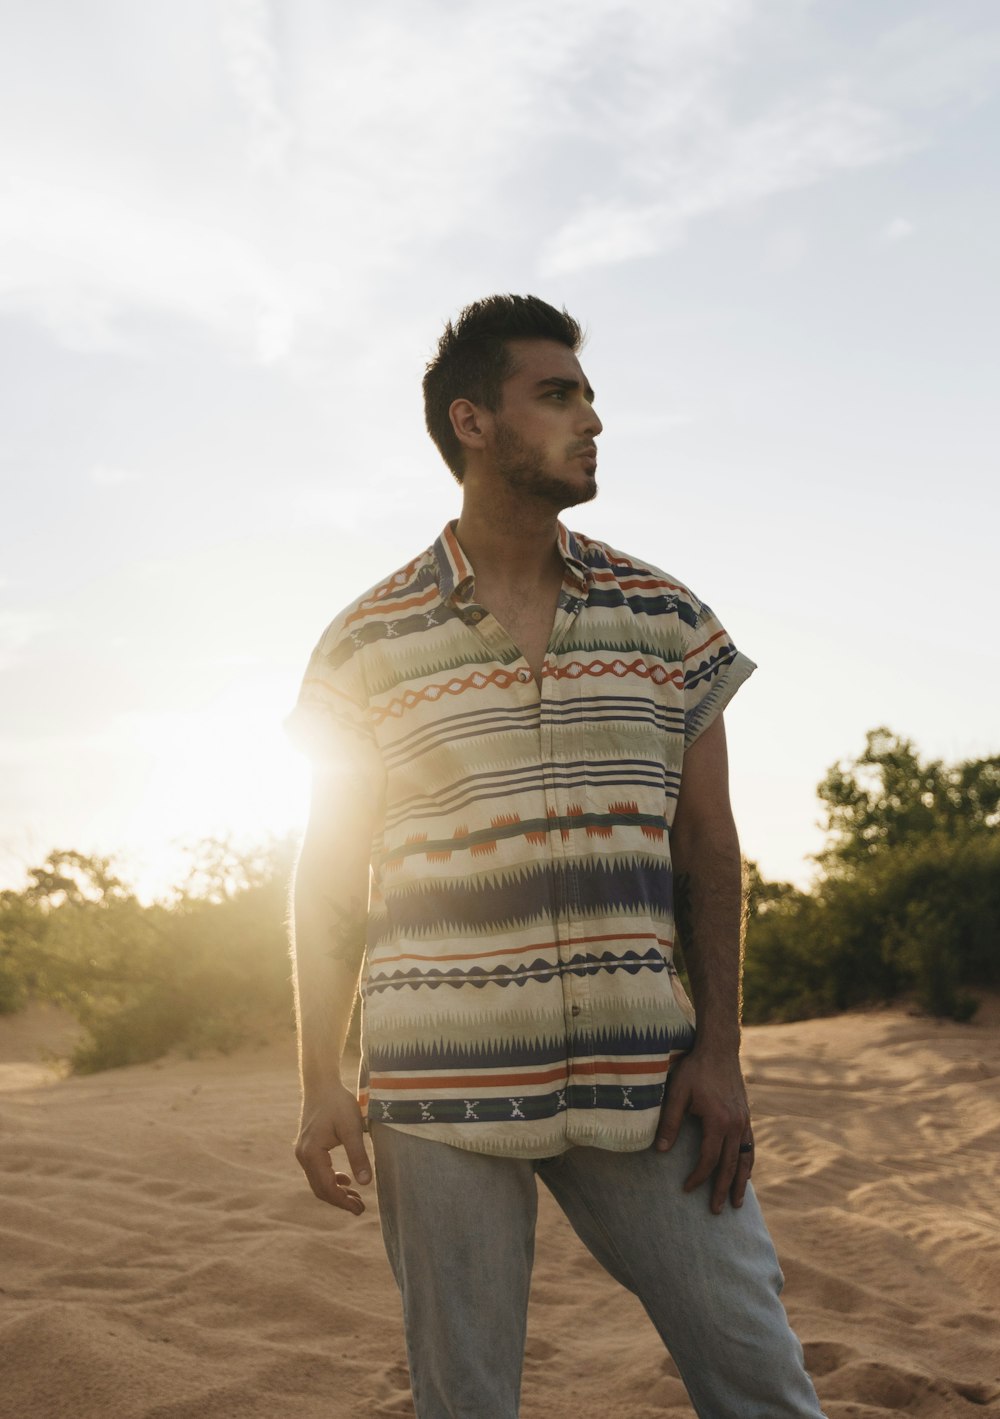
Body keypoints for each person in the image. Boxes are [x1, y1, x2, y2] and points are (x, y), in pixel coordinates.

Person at [288, 294, 825, 1418]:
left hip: (652, 1081)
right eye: (558, 394)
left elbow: (710, 849)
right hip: (440, 1089)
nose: (591, 419)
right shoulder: (366, 643)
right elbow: (330, 877)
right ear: (472, 423)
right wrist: (316, 1080)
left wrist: (720, 1051)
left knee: (760, 1376)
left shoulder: (666, 617)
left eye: (587, 396)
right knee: (465, 1400)